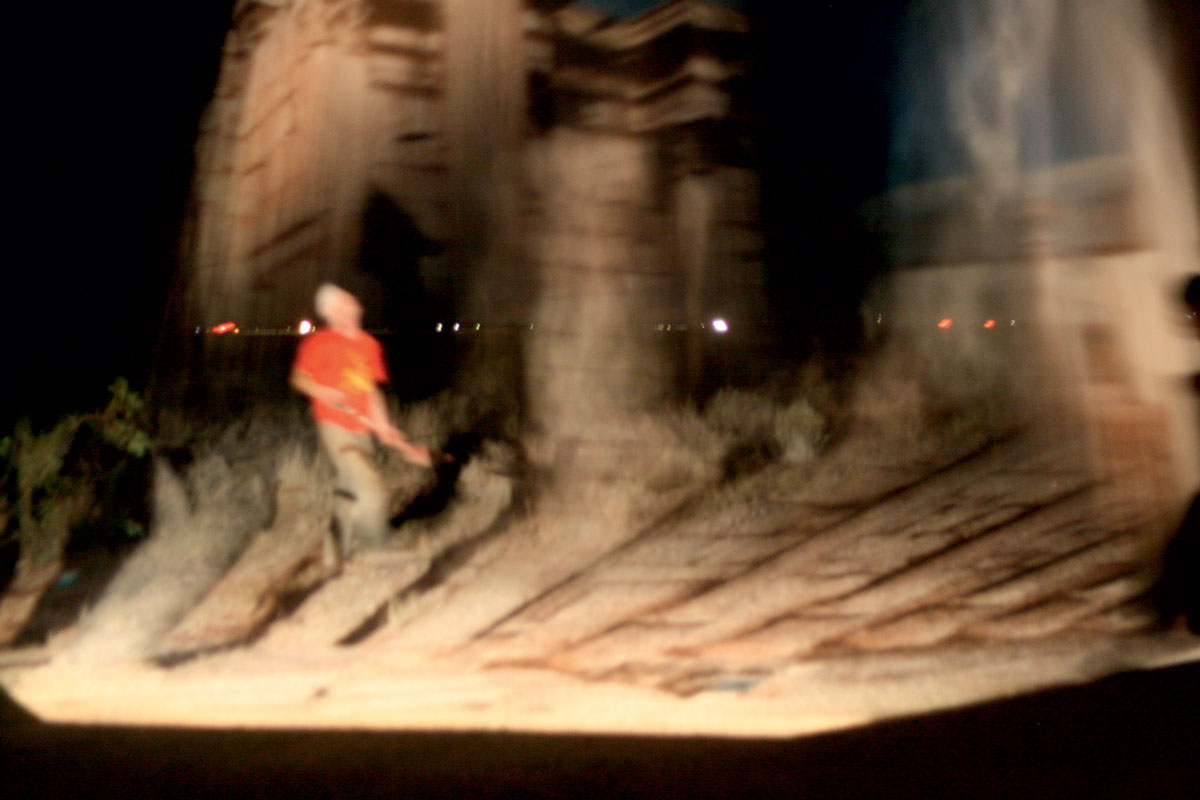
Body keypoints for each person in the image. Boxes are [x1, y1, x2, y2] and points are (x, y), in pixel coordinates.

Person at [290, 283, 432, 561]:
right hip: (334, 426)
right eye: (346, 303)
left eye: (353, 302)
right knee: (369, 485)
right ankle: (374, 549)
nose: (356, 307)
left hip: (363, 428)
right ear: (331, 313)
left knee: (348, 488)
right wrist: (321, 391)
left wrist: (384, 426)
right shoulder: (319, 342)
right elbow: (298, 378)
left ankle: (334, 549)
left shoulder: (369, 345)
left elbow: (371, 392)